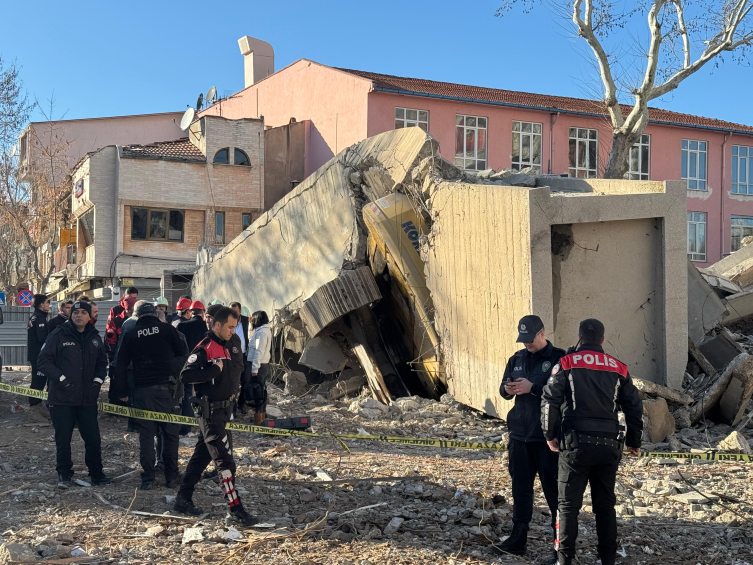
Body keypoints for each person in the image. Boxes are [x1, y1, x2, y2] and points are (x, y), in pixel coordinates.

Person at [541, 319, 643, 565]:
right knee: (605, 507)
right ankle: (607, 560)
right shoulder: (619, 368)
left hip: (575, 444)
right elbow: (634, 406)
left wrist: (549, 434)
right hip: (608, 445)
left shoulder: (566, 363)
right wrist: (634, 441)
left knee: (567, 507)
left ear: (579, 338)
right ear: (603, 340)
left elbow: (549, 400)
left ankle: (565, 560)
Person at [173, 306, 260, 526]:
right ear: (217, 325)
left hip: (226, 411)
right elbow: (185, 375)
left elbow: (237, 373)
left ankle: (183, 498)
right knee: (225, 463)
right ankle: (236, 509)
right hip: (210, 412)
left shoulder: (234, 344)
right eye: (230, 327)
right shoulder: (205, 347)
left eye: (235, 327)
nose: (233, 331)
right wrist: (213, 371)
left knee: (201, 457)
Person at [495, 315, 564, 562]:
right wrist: (508, 389)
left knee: (555, 493)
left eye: (531, 339)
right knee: (520, 489)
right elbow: (503, 391)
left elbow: (563, 392)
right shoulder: (517, 358)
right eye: (523, 340)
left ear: (542, 333)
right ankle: (518, 537)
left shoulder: (559, 358)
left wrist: (532, 388)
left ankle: (560, 546)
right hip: (519, 436)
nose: (527, 345)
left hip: (546, 438)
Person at [37, 301, 111, 488]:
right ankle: (64, 474)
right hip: (62, 398)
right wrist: (61, 379)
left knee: (93, 439)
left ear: (89, 316)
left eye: (83, 312)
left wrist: (98, 382)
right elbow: (43, 361)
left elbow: (102, 363)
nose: (79, 315)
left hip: (87, 399)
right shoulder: (59, 334)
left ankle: (96, 474)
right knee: (63, 439)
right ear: (70, 315)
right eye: (75, 312)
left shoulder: (94, 337)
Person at [114, 302, 188, 490]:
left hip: (141, 392)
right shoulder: (167, 329)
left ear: (137, 316)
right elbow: (184, 355)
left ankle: (147, 478)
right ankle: (171, 477)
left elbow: (120, 365)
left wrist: (121, 392)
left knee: (146, 435)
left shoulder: (131, 334)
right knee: (170, 435)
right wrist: (170, 370)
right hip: (166, 391)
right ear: (155, 314)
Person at [176, 301, 208, 434]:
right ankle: (203, 424)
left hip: (186, 363)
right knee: (203, 393)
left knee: (187, 393)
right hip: (202, 364)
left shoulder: (182, 325)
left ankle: (186, 426)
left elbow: (177, 346)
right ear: (203, 313)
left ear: (190, 311)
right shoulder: (206, 328)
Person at [245, 311, 272, 425]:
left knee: (258, 393)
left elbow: (258, 351)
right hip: (262, 365)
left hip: (259, 366)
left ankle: (259, 419)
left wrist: (254, 369)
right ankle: (261, 416)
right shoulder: (265, 331)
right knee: (260, 391)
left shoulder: (261, 333)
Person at [27, 294, 51, 417]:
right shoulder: (39, 318)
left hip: (36, 355)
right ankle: (34, 410)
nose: (49, 305)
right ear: (42, 304)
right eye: (48, 302)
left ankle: (38, 406)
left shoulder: (36, 317)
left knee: (39, 381)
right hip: (38, 356)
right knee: (38, 382)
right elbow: (42, 338)